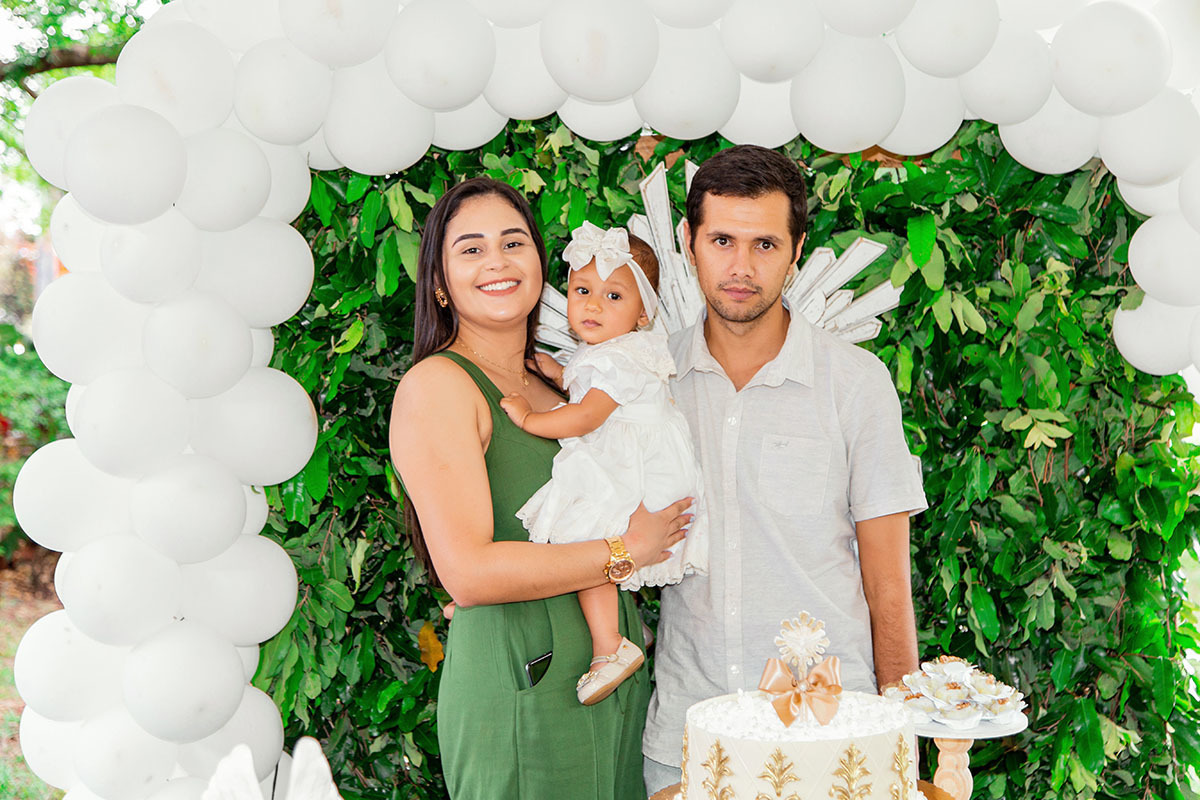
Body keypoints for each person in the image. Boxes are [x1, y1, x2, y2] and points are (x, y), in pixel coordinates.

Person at [389, 177, 693, 800]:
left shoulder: (560, 382)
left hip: (610, 676)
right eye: (471, 249)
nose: (496, 262)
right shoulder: (438, 387)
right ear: (440, 282)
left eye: (513, 243)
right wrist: (625, 551)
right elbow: (468, 573)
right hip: (524, 678)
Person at [641, 145, 928, 794]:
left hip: (834, 741)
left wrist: (899, 745)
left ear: (797, 251)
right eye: (722, 240)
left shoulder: (855, 383)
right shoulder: (650, 382)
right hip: (688, 740)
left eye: (765, 245)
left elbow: (888, 587)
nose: (741, 267)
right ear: (689, 242)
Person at [499, 222, 707, 706]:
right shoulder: (613, 351)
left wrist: (530, 418)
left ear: (643, 313)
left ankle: (610, 645)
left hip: (640, 469)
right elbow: (588, 387)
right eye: (582, 291)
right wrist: (558, 371)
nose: (593, 305)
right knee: (591, 536)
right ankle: (624, 626)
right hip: (646, 461)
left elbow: (587, 415)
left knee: (585, 541)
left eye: (613, 296)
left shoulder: (616, 359)